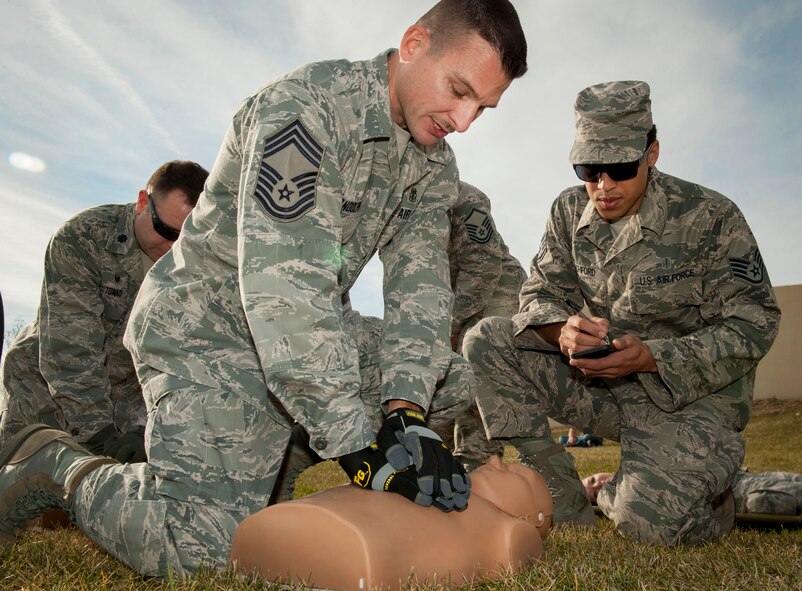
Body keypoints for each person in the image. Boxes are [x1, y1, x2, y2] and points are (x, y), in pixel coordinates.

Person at [0, 0, 528, 578]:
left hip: (305, 333)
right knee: (200, 554)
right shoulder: (306, 110)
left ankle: (277, 464)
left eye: (484, 106)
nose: (464, 119)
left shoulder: (434, 168)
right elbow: (285, 292)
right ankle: (55, 463)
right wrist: (357, 449)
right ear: (413, 44)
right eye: (458, 90)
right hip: (210, 331)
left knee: (452, 377)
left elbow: (420, 292)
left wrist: (404, 415)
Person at [463, 80, 781, 544]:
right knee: (487, 340)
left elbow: (756, 322)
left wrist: (653, 357)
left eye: (620, 168)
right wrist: (562, 332)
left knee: (648, 525)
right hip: (605, 389)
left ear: (651, 153)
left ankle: (708, 491)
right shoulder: (569, 211)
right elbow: (539, 292)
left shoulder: (709, 217)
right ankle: (564, 496)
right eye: (589, 168)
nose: (603, 185)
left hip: (691, 402)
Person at [271, 181, 527, 501]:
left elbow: (484, 265)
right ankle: (423, 455)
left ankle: (478, 460)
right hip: (434, 302)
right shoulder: (382, 200)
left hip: (493, 294)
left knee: (476, 367)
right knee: (423, 378)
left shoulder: (464, 197)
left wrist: (450, 323)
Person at [0, 160, 208, 461]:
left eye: (185, 239)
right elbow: (70, 350)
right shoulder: (84, 238)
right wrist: (98, 438)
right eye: (165, 229)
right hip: (44, 394)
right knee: (24, 495)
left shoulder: (193, 267)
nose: (172, 247)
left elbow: (179, 357)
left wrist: (146, 426)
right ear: (141, 202)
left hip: (125, 406)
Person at [231, 456, 552, 591]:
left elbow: (518, 549)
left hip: (361, 547)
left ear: (530, 518)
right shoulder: (437, 478)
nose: (495, 461)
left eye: (517, 473)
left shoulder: (509, 529)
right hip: (326, 520)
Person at [583, 469, 802, 517]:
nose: (598, 484)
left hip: (737, 477)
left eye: (593, 479)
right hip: (734, 499)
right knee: (763, 500)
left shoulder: (634, 466)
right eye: (595, 493)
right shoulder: (628, 501)